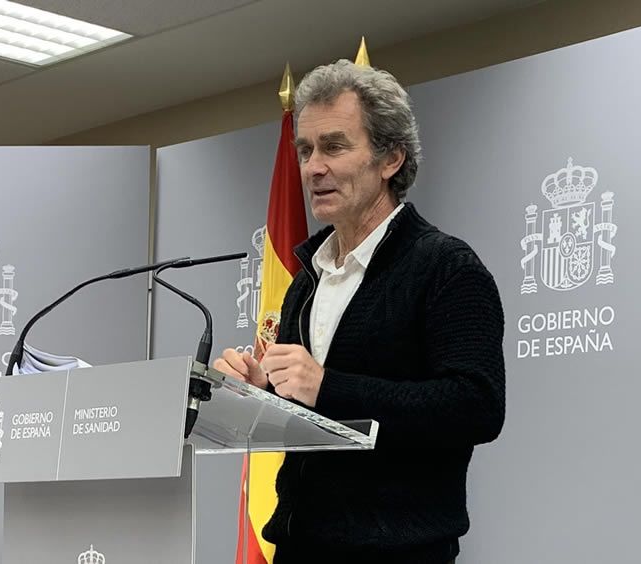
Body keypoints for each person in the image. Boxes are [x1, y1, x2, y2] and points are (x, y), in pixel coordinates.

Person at [214, 59, 505, 564]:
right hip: (299, 546)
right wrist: (261, 391)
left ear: (390, 158)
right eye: (305, 150)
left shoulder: (446, 267)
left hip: (399, 553)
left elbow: (476, 407)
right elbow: (308, 411)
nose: (312, 167)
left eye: (333, 146)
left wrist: (327, 386)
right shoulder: (306, 279)